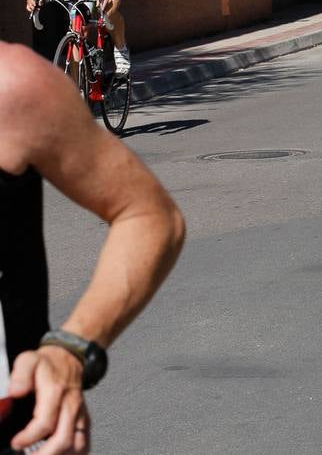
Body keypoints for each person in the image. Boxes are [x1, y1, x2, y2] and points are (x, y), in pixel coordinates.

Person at [1, 42, 184, 454]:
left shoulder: (12, 86)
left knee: (103, 18)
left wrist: (71, 349)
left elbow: (148, 214)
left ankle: (115, 56)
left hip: (15, 430)